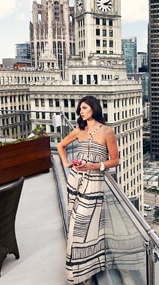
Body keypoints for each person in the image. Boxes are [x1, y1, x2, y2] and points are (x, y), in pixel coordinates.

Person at [57, 95, 119, 284]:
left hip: (94, 184)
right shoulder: (79, 131)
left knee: (85, 228)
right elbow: (60, 145)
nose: (81, 112)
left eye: (84, 108)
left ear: (93, 108)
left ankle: (87, 270)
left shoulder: (107, 131)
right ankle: (79, 272)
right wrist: (67, 163)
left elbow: (115, 160)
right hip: (75, 181)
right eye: (80, 110)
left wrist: (93, 166)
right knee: (75, 226)